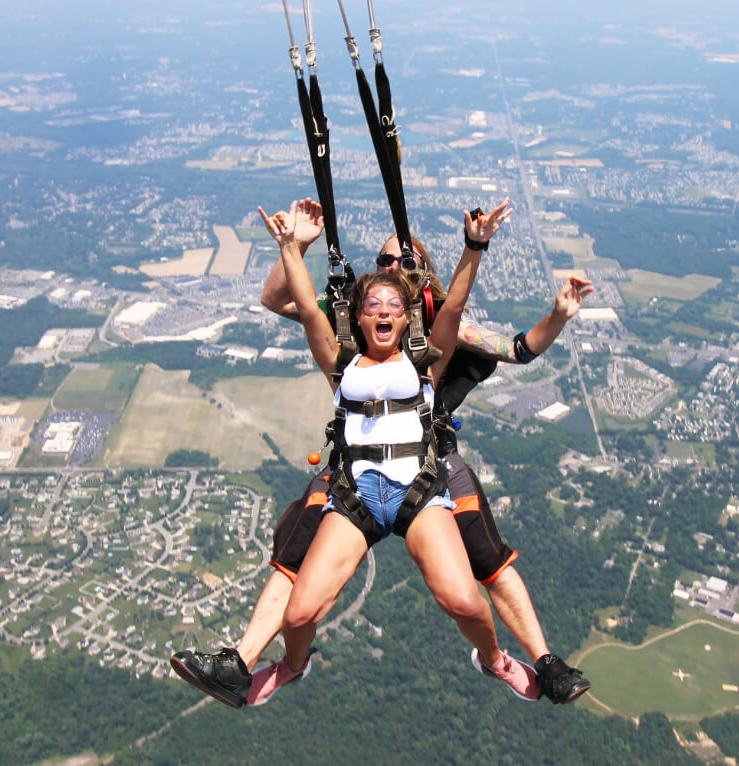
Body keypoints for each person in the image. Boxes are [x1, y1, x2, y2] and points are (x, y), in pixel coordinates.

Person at [172, 200, 595, 707]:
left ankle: (510, 660)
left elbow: (482, 324)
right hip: (355, 484)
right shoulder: (344, 352)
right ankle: (273, 665)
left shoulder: (430, 351)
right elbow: (303, 306)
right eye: (379, 284)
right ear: (360, 309)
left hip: (423, 471)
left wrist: (477, 248)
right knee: (300, 606)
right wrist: (292, 246)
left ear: (417, 288)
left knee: (470, 588)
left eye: (400, 281)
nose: (386, 297)